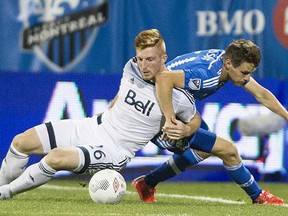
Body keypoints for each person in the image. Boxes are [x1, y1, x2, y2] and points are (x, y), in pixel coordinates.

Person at [0, 29, 201, 199]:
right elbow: (121, 95)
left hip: (114, 150)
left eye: (150, 59)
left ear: (163, 58)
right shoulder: (131, 68)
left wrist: (185, 129)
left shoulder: (178, 97)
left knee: (55, 158)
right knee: (20, 142)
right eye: (140, 59)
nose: (143, 65)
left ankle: (5, 194)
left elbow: (195, 119)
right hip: (93, 126)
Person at [132, 35, 287, 204]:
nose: (246, 78)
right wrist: (169, 120)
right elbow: (163, 78)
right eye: (244, 72)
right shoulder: (207, 75)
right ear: (229, 64)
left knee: (206, 149)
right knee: (229, 151)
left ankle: (147, 183)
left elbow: (261, 94)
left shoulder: (226, 60)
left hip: (172, 106)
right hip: (156, 110)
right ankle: (258, 196)